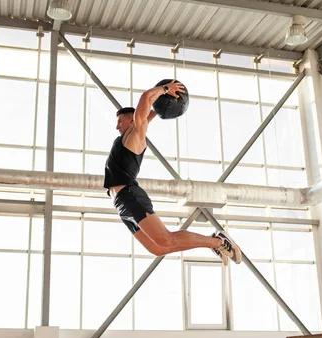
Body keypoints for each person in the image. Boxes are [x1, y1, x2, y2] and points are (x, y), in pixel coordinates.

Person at [103, 80, 242, 265]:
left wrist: (166, 89)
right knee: (157, 248)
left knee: (165, 239)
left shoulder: (135, 134)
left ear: (132, 119)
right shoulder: (130, 134)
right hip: (120, 203)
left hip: (129, 195)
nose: (117, 126)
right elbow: (146, 116)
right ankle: (214, 241)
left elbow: (145, 98)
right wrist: (158, 108)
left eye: (120, 121)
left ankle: (218, 241)